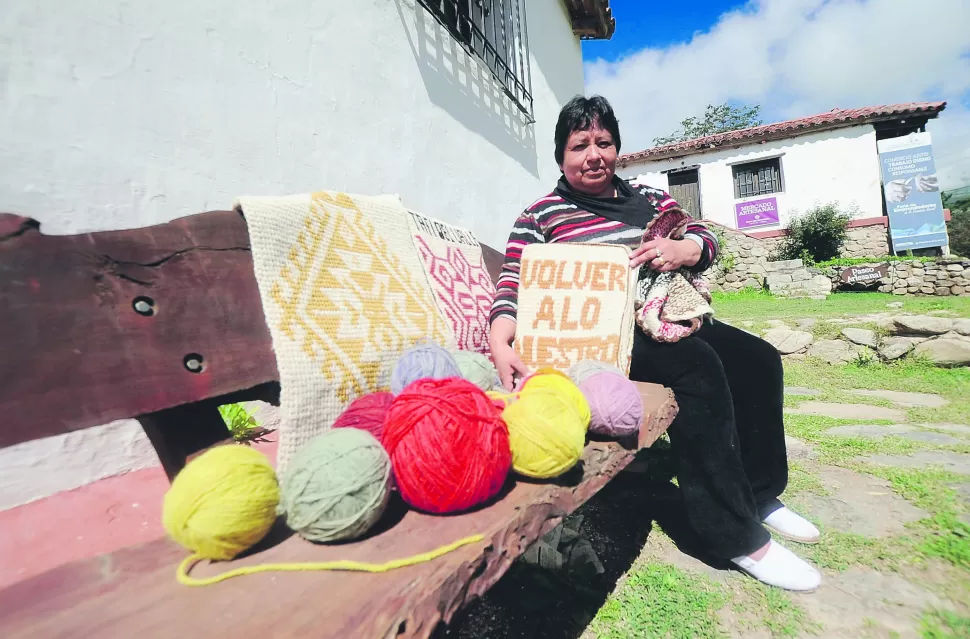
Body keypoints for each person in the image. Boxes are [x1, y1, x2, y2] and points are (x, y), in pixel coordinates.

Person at [488, 95, 822, 592]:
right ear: (561, 155)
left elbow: (705, 239)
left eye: (604, 142)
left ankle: (758, 494)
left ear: (618, 148)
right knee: (696, 365)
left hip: (663, 314)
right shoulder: (541, 215)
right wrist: (500, 338)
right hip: (595, 337)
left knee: (759, 359)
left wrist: (683, 247)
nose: (593, 155)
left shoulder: (647, 196)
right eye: (580, 145)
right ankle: (734, 536)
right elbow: (513, 280)